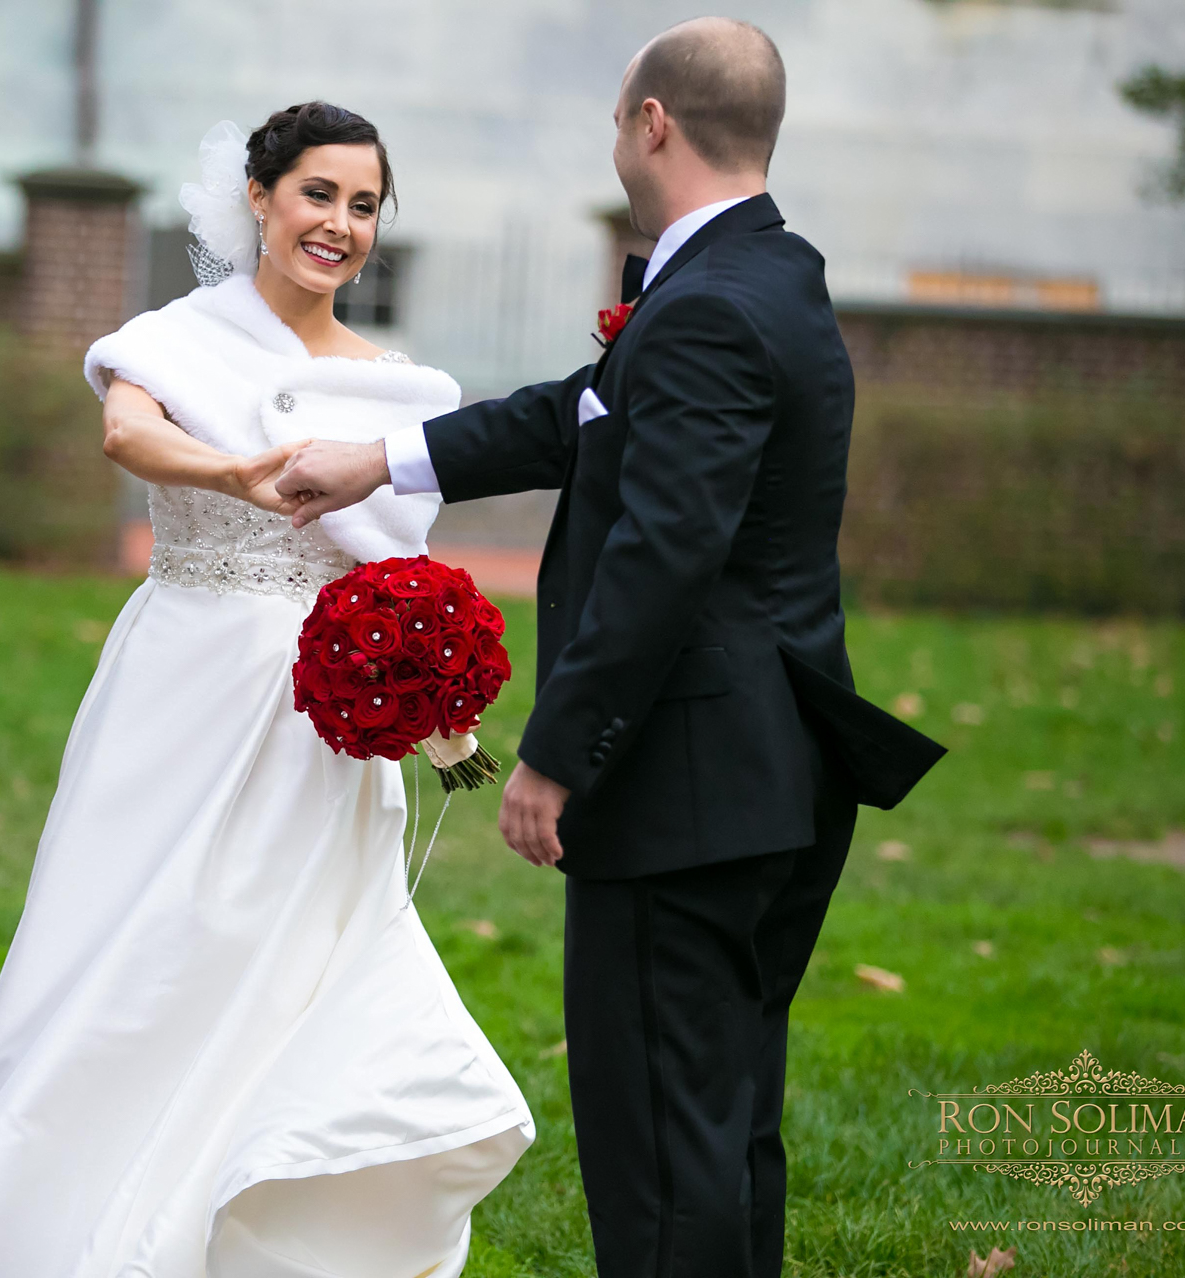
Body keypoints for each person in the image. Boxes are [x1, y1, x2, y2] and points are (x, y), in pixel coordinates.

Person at [275, 20, 944, 1278]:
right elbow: (585, 419)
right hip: (775, 766)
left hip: (684, 788)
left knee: (657, 1151)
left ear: (651, 123)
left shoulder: (706, 307)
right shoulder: (769, 275)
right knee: (727, 1122)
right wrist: (387, 458)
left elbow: (664, 552)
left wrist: (558, 757)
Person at [0, 102, 533, 1278]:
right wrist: (237, 469)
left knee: (293, 960)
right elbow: (126, 437)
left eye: (365, 205)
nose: (339, 224)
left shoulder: (406, 390)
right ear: (261, 197)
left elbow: (399, 561)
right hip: (184, 688)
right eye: (318, 194)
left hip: (325, 722)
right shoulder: (177, 341)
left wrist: (427, 679)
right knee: (141, 943)